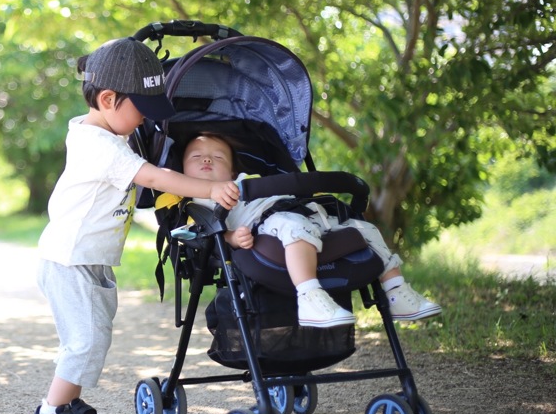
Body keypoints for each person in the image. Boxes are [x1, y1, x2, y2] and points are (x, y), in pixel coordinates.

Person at [34, 38, 242, 414]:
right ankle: (50, 411)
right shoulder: (100, 145)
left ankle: (70, 402)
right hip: (71, 259)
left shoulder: (106, 134)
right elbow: (154, 179)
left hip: (86, 258)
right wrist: (213, 186)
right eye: (141, 110)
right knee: (86, 339)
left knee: (93, 332)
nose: (145, 120)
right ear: (109, 99)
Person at [157, 133, 442, 329]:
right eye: (197, 156)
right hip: (268, 228)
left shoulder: (251, 180)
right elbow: (193, 235)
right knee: (294, 225)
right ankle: (309, 296)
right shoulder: (193, 202)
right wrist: (229, 237)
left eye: (218, 157)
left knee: (364, 227)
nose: (207, 159)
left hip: (303, 213)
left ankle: (396, 291)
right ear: (181, 169)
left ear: (233, 172)